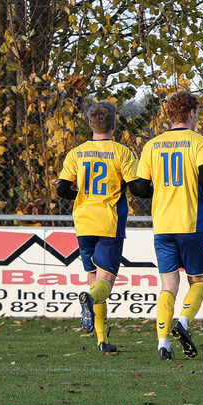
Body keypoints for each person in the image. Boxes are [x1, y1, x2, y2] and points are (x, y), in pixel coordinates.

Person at [135, 91, 203, 361]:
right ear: (192, 114)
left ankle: (163, 344)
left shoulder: (152, 145)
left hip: (162, 224)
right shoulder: (200, 142)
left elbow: (140, 188)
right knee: (198, 281)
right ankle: (183, 323)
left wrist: (162, 190)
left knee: (168, 285)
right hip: (191, 222)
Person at [56, 101, 142, 355]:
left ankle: (103, 341)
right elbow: (137, 188)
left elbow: (61, 189)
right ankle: (90, 302)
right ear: (114, 125)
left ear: (90, 125)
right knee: (103, 284)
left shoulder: (76, 152)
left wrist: (84, 197)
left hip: (83, 222)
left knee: (93, 279)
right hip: (109, 223)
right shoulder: (123, 152)